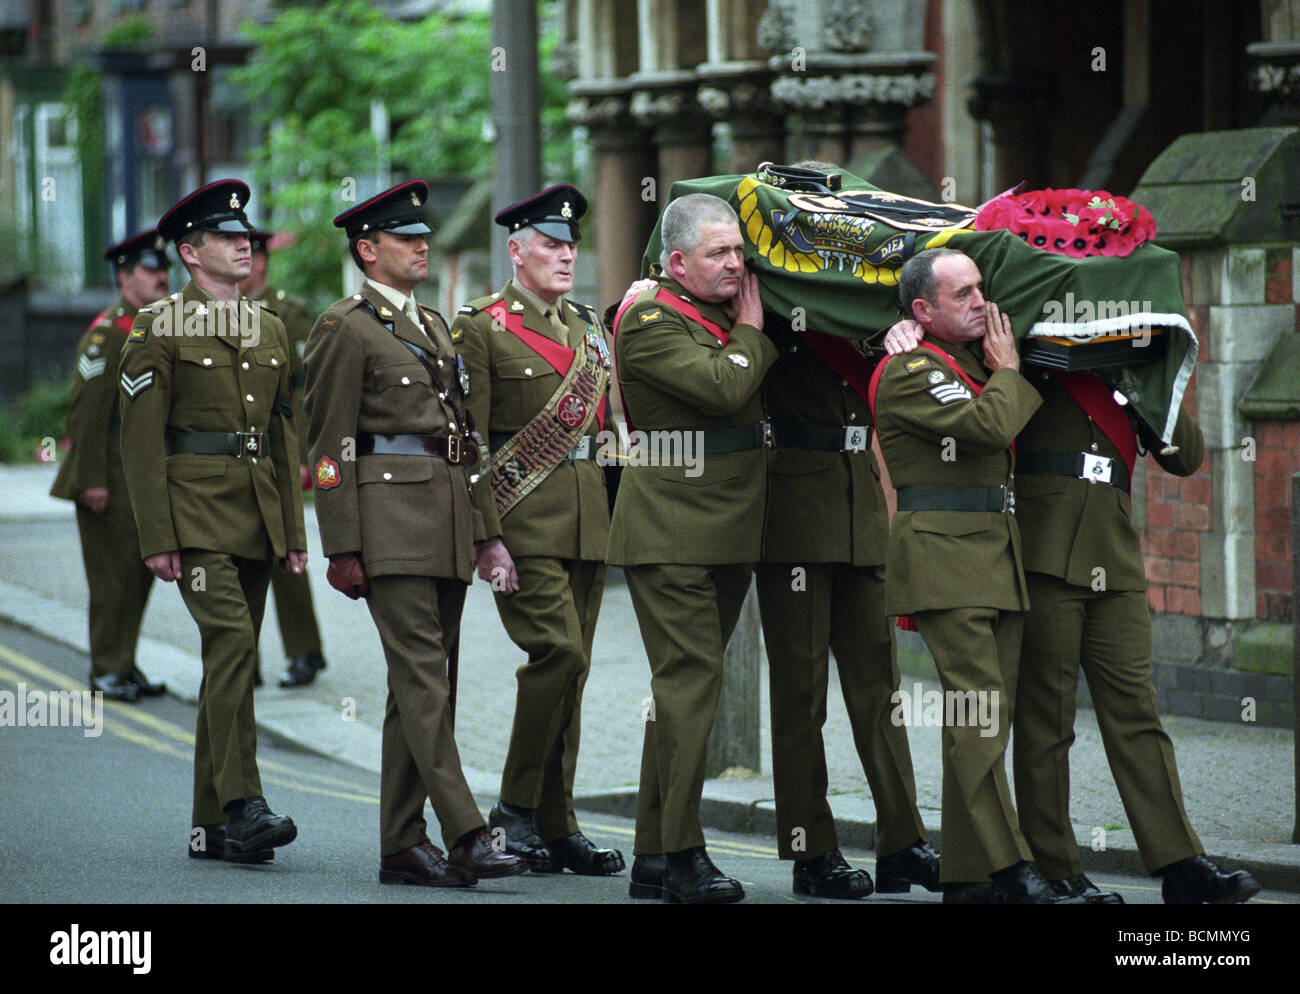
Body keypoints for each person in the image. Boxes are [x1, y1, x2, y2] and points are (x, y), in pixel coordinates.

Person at [884, 273, 1262, 907]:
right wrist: (900, 332)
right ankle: (1056, 866)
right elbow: (955, 366)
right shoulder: (1024, 350)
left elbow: (1185, 457)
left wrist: (1158, 375)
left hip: (1112, 556)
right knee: (1046, 721)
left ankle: (1181, 863)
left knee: (1138, 714)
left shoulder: (1127, 371)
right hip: (1041, 554)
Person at [304, 180, 527, 887]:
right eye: (406, 237)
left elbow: (464, 441)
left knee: (426, 688)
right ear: (368, 250)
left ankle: (401, 844)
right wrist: (341, 545)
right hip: (388, 522)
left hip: (445, 521)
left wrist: (485, 532)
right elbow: (329, 445)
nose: (422, 244)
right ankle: (466, 831)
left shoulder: (432, 323)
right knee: (426, 681)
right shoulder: (346, 326)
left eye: (423, 234)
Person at [872, 247, 1082, 904]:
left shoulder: (964, 361)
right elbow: (986, 427)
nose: (980, 302)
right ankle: (1008, 865)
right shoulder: (912, 369)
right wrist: (1011, 368)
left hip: (992, 557)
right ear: (921, 311)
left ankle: (966, 874)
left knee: (983, 719)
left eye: (980, 288)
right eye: (961, 294)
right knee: (979, 717)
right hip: (944, 560)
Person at [117, 180, 306, 863]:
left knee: (230, 656)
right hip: (193, 512)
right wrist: (157, 537)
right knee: (232, 644)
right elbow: (140, 442)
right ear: (192, 253)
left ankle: (210, 826)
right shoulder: (158, 326)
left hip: (254, 512)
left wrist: (291, 533)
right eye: (228, 238)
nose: (244, 245)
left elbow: (284, 436)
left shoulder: (272, 327)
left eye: (246, 237)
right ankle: (245, 804)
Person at [608, 193, 778, 904]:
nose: (736, 264)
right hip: (671, 533)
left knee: (682, 694)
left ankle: (653, 853)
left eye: (739, 251)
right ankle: (683, 854)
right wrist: (754, 331)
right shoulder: (651, 318)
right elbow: (721, 386)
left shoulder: (711, 314)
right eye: (719, 253)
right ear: (677, 261)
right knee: (689, 688)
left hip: (724, 530)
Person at [451, 185, 624, 876]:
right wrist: (484, 537)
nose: (565, 255)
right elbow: (468, 439)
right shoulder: (482, 327)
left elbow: (606, 434)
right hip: (521, 523)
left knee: (573, 676)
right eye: (550, 244)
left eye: (571, 245)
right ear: (516, 251)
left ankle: (558, 823)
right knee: (560, 654)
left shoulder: (586, 326)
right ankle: (515, 810)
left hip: (587, 523)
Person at [756, 302, 939, 899]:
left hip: (860, 503)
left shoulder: (862, 301)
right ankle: (812, 853)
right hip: (794, 512)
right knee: (801, 695)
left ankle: (903, 845)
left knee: (879, 688)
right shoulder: (773, 301)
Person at [51, 229, 170, 703]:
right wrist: (91, 481)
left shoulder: (146, 327)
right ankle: (105, 669)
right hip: (107, 476)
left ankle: (124, 662)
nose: (162, 277)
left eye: (164, 269)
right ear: (125, 277)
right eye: (150, 270)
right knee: (110, 578)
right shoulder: (108, 336)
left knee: (138, 574)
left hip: (136, 476)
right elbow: (87, 414)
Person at [239, 230, 329, 688]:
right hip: (234, 455)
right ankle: (242, 662)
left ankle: (304, 651)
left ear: (264, 265)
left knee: (285, 555)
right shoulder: (210, 313)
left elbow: (302, 393)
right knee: (235, 555)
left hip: (278, 452)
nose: (248, 267)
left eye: (255, 257)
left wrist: (301, 456)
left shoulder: (288, 313)